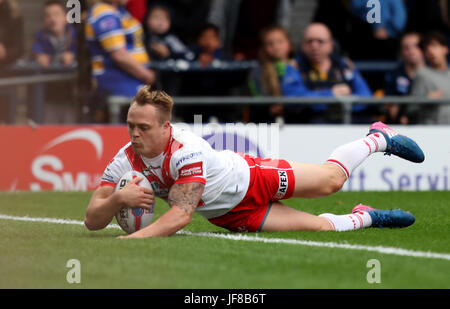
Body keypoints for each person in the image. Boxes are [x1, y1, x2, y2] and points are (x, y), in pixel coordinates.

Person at [84, 86, 424, 238]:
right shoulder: (124, 160)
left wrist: (135, 238)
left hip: (251, 178)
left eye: (143, 127)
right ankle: (366, 217)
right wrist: (117, 199)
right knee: (319, 228)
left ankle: (378, 137)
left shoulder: (185, 149)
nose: (134, 134)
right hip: (231, 214)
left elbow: (181, 214)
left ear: (165, 127)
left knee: (331, 181)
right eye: (130, 125)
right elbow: (92, 220)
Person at [284, 23, 373, 123]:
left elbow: (366, 95)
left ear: (331, 45)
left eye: (320, 41)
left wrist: (345, 102)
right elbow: (293, 99)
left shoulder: (345, 65)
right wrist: (331, 95)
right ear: (303, 45)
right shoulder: (294, 66)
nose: (314, 46)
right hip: (310, 123)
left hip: (347, 120)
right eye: (309, 41)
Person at [85, 0, 155, 99]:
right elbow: (119, 55)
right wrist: (147, 75)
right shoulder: (105, 14)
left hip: (131, 83)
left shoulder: (119, 11)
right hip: (119, 85)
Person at [249, 25, 298, 122]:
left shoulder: (299, 67)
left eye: (280, 42)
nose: (276, 47)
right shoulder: (257, 71)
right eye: (270, 44)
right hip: (267, 121)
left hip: (295, 120)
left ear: (289, 45)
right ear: (264, 48)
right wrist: (270, 106)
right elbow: (257, 95)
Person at [383, 32, 425, 124]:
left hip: (430, 123)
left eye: (416, 46)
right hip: (401, 126)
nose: (411, 51)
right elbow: (392, 108)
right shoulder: (393, 76)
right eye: (406, 48)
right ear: (401, 52)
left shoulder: (433, 73)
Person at [411, 31, 450, 124]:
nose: (430, 51)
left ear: (445, 49)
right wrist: (426, 99)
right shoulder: (422, 74)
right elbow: (411, 108)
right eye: (426, 49)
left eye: (434, 46)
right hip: (432, 132)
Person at [31, 1, 77, 68]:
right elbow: (36, 50)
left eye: (56, 14)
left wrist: (74, 55)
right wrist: (39, 56)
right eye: (47, 16)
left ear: (66, 17)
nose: (52, 19)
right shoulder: (40, 37)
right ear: (44, 21)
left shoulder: (75, 35)